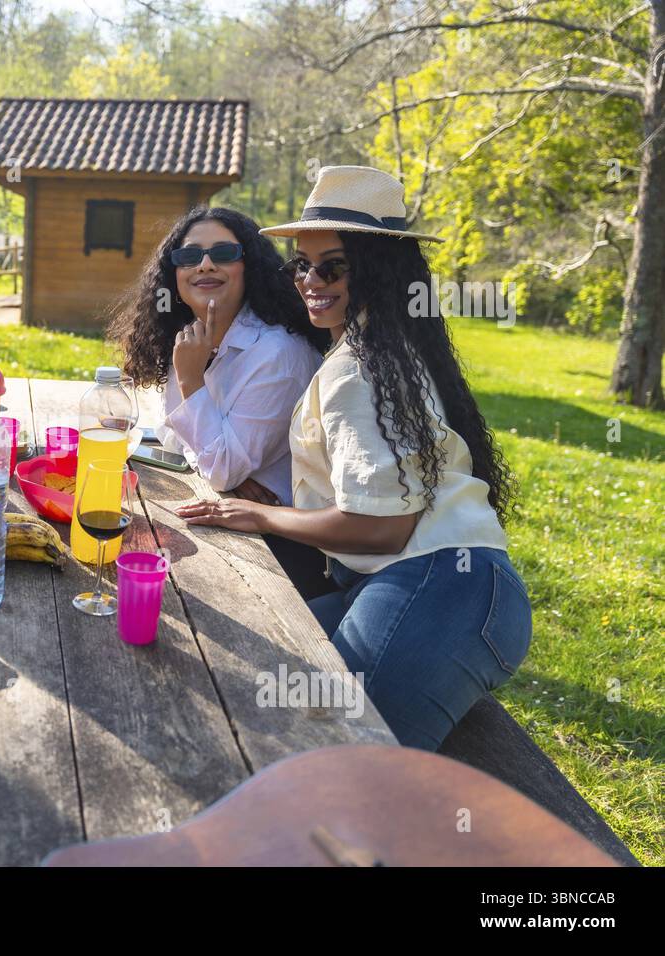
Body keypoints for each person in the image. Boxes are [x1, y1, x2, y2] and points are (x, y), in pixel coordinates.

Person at [177, 165, 532, 751]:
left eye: (332, 266)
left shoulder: (357, 370)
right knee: (254, 693)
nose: (310, 280)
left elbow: (381, 527)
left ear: (378, 270)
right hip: (442, 590)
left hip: (439, 588)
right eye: (301, 265)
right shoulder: (382, 348)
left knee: (330, 754)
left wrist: (264, 516)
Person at [108, 205, 334, 599]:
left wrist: (191, 380)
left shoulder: (277, 353)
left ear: (250, 267)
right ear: (173, 273)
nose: (206, 264)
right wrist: (230, 470)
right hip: (226, 515)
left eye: (224, 254)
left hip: (285, 548)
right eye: (190, 255)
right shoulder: (193, 337)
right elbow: (177, 440)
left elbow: (219, 468)